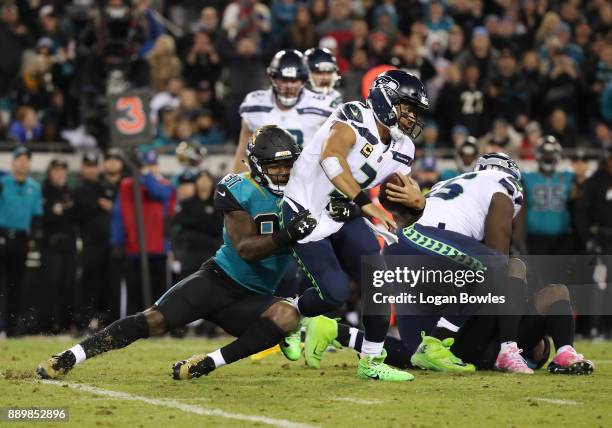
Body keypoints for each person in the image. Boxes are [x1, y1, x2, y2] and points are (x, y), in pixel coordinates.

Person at [36, 125, 317, 380]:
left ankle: (207, 363)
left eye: (287, 164)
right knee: (152, 321)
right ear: (256, 164)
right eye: (274, 165)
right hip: (219, 281)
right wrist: (288, 234)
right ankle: (70, 356)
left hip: (255, 297)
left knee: (288, 317)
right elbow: (245, 249)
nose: (282, 171)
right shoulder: (238, 187)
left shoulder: (304, 191)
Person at [305, 153, 534, 374]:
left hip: (402, 247)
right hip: (423, 241)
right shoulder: (502, 185)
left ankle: (335, 331)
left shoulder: (452, 184)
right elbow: (497, 256)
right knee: (498, 265)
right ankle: (436, 342)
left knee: (414, 354)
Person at [281, 70, 428, 381]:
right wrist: (365, 204)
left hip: (342, 209)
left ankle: (371, 361)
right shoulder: (354, 115)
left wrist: (416, 204)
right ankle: (290, 315)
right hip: (305, 208)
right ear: (387, 100)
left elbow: (396, 209)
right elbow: (331, 159)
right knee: (333, 293)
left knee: (378, 281)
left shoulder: (404, 149)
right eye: (407, 107)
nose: (411, 117)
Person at [232, 49, 338, 171]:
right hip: (265, 183)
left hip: (307, 182)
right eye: (284, 79)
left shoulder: (323, 105)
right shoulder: (255, 104)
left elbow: (334, 154)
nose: (289, 86)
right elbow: (243, 155)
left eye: (294, 80)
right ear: (273, 78)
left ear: (303, 80)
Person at [111, 151, 175, 316]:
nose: (148, 169)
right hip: (134, 247)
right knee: (134, 292)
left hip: (158, 247)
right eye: (144, 166)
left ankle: (160, 326)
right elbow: (119, 213)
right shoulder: (127, 185)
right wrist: (117, 241)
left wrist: (146, 175)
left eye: (151, 165)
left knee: (159, 293)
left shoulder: (166, 185)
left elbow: (157, 193)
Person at [0, 147, 42, 336]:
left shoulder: (34, 186)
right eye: (20, 158)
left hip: (20, 239)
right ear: (13, 161)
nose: (23, 162)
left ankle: (12, 328)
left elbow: (36, 216)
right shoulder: (3, 183)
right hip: (2, 234)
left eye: (27, 159)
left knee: (16, 285)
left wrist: (34, 239)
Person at [40, 158, 76, 333]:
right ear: (50, 172)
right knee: (50, 286)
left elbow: (75, 217)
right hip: (50, 247)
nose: (60, 174)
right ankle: (47, 325)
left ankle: (63, 325)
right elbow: (46, 217)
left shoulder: (70, 193)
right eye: (56, 170)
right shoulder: (43, 191)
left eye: (63, 170)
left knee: (68, 286)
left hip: (68, 248)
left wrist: (59, 213)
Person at [521, 136, 574, 257]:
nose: (548, 158)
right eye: (545, 154)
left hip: (562, 237)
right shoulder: (526, 177)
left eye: (551, 154)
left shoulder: (568, 176)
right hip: (535, 236)